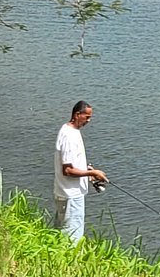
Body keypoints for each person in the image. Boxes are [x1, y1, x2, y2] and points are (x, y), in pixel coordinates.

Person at [53, 100, 106, 243]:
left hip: (65, 193)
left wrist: (87, 169)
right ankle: (68, 264)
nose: (89, 121)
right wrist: (92, 174)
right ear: (77, 115)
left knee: (60, 234)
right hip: (71, 196)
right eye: (87, 117)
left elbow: (71, 163)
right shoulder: (69, 136)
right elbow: (68, 170)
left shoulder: (69, 131)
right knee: (72, 238)